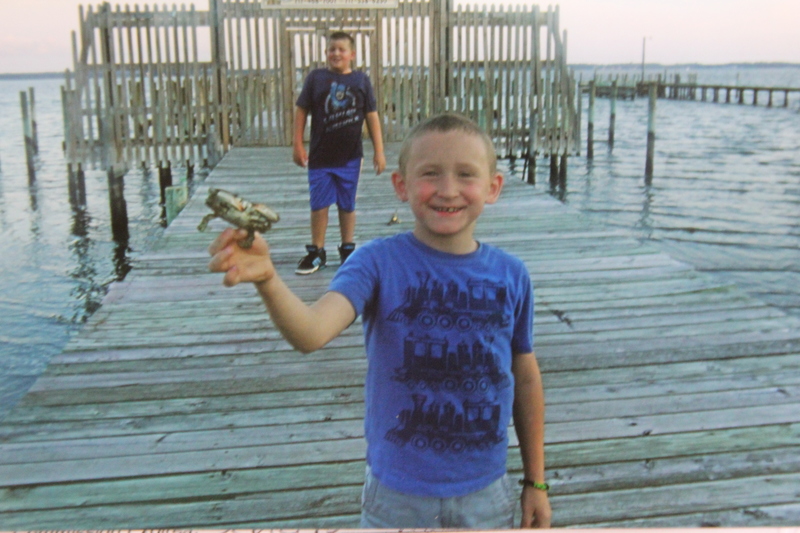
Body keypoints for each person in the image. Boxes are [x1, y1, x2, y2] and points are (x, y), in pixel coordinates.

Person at [208, 113, 551, 529]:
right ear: (401, 185)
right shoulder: (376, 262)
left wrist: (536, 481)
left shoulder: (512, 275)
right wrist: (268, 279)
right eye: (430, 174)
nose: (447, 190)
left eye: (466, 175)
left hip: (486, 493)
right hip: (396, 495)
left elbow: (525, 377)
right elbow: (311, 333)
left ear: (493, 187)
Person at [292, 30, 386, 275]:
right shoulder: (316, 78)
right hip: (320, 157)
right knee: (319, 205)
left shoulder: (361, 81)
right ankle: (317, 252)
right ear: (326, 53)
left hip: (350, 158)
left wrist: (379, 151)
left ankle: (347, 249)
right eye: (331, 49)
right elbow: (301, 110)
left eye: (341, 50)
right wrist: (298, 144)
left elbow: (372, 116)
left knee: (347, 204)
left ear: (352, 55)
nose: (336, 53)